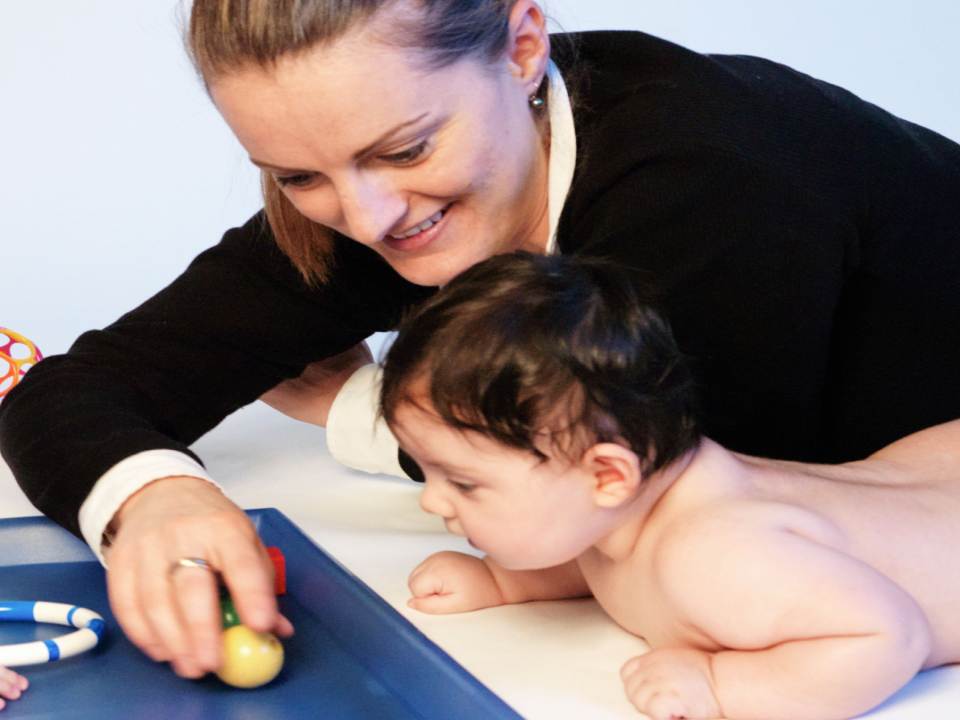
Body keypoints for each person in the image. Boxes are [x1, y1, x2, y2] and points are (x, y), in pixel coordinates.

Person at [1, 0, 959, 683]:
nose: (367, 219)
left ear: (523, 46)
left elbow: (635, 484)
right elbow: (73, 391)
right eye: (295, 175)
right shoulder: (363, 190)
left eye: (406, 149)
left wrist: (362, 413)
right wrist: (156, 499)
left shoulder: (713, 179)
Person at [379, 251, 960, 720]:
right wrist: (505, 579)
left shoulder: (718, 556)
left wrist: (719, 683)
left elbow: (888, 636)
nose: (433, 501)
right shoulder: (620, 511)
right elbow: (594, 551)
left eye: (464, 483)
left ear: (608, 475)